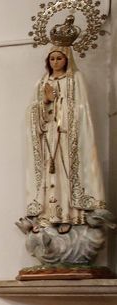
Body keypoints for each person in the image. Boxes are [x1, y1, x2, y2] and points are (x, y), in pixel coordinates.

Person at [25, 46, 104, 233]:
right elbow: (32, 111)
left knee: (65, 172)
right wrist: (45, 102)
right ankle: (47, 215)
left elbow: (81, 108)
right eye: (52, 59)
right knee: (48, 173)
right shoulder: (42, 82)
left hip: (68, 136)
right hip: (49, 135)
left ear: (67, 59)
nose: (55, 62)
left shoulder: (75, 79)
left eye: (59, 58)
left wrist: (59, 103)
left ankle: (69, 215)